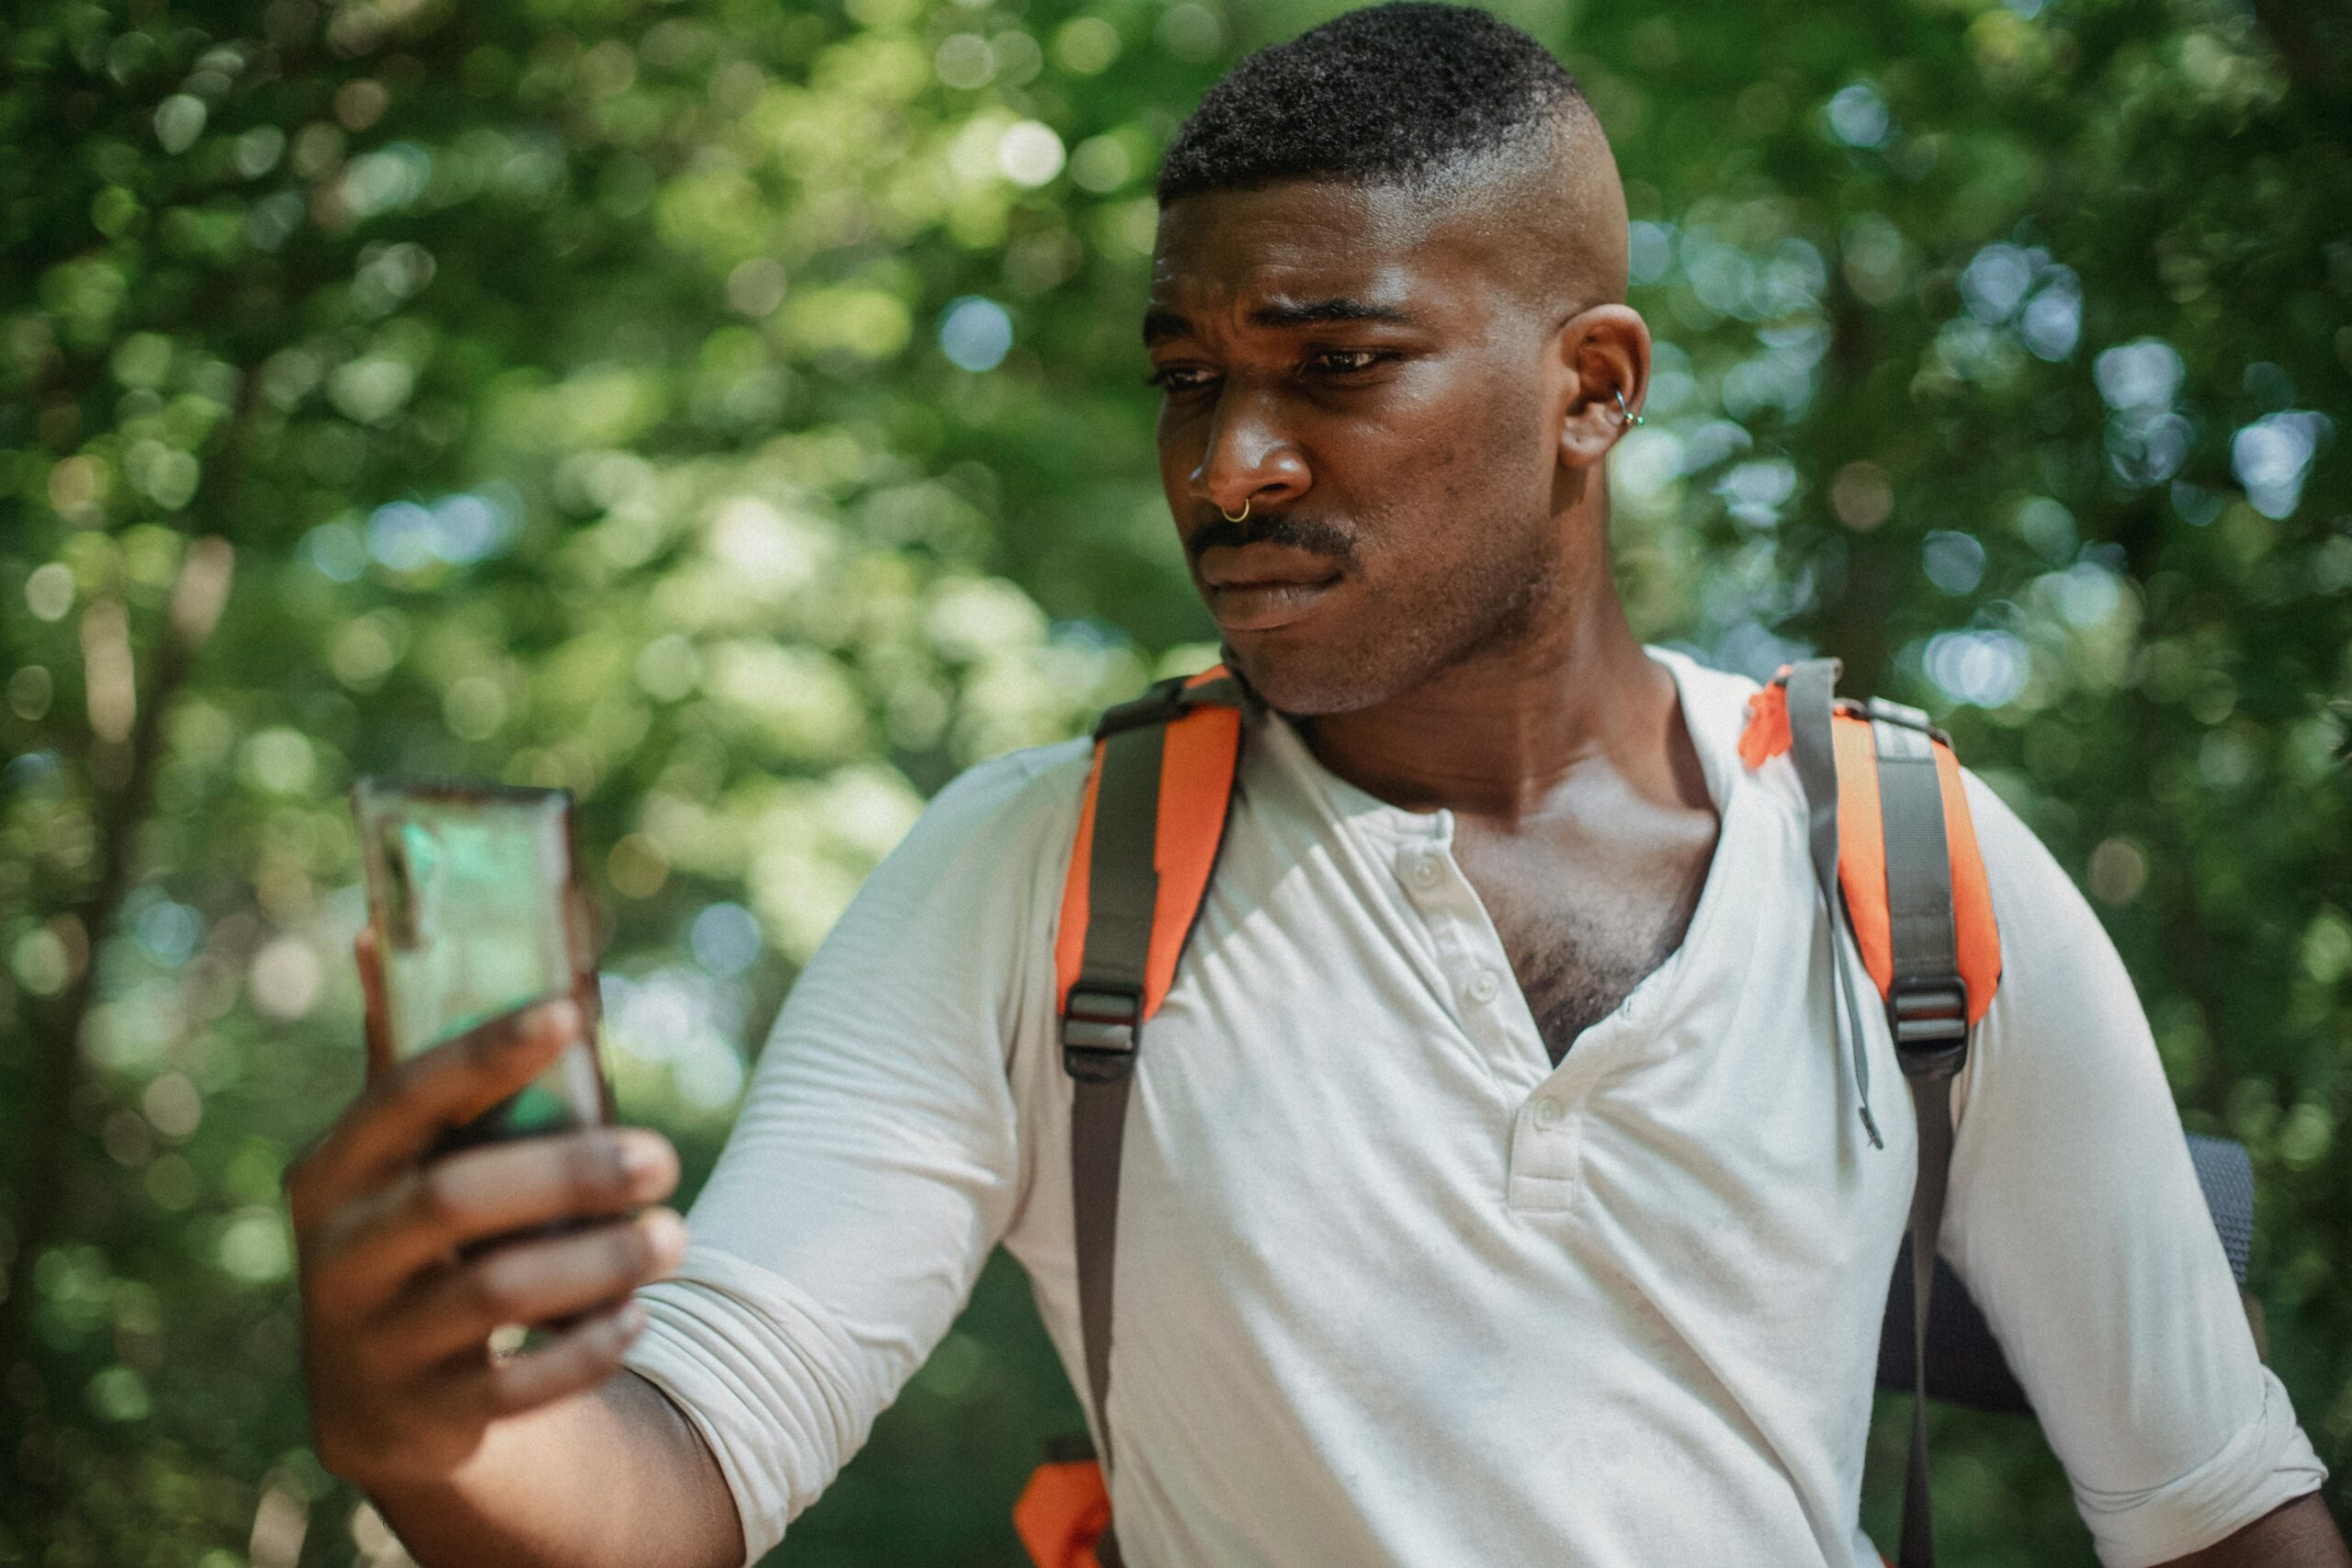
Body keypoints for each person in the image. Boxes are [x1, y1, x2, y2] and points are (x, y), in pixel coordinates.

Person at [287, 6, 2346, 1564]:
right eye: (1188, 376)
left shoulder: (1909, 865)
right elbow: (681, 1472)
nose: (1225, 464)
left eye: (1331, 364)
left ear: (1589, 388)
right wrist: (434, 1427)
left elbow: (2215, 1508)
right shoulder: (1038, 872)